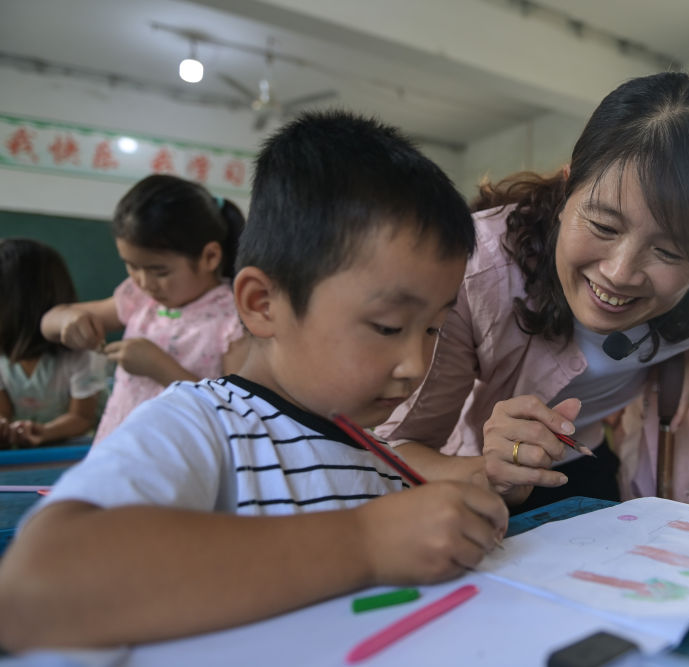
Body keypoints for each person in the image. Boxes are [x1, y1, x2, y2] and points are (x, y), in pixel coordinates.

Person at [0, 111, 508, 651]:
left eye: (433, 329)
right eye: (387, 326)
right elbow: (34, 588)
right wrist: (364, 542)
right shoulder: (204, 425)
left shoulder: (375, 459)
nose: (415, 364)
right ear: (263, 304)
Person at [377, 71, 689, 510]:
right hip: (476, 476)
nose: (619, 274)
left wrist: (688, 359)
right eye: (603, 226)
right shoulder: (475, 270)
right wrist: (490, 471)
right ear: (567, 191)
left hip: (591, 459)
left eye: (669, 252)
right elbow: (396, 452)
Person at [40, 175, 249, 442]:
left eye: (159, 271)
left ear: (210, 257)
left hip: (179, 457)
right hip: (116, 446)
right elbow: (48, 322)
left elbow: (236, 412)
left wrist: (160, 368)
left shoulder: (231, 319)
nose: (144, 282)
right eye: (131, 266)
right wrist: (68, 320)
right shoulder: (138, 298)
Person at [0, 239, 105, 447]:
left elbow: (82, 418)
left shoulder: (83, 354)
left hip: (78, 448)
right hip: (28, 451)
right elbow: (4, 411)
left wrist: (44, 432)